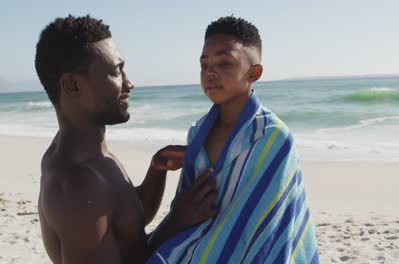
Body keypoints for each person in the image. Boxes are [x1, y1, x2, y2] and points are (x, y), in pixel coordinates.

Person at [35, 15, 218, 264]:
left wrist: (156, 171)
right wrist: (177, 221)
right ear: (72, 85)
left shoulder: (91, 153)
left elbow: (125, 223)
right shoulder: (76, 184)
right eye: (115, 72)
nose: (129, 83)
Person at [147, 16, 319, 263]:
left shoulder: (272, 137)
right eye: (204, 65)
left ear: (254, 72)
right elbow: (187, 210)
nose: (211, 72)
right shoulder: (197, 134)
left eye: (224, 62)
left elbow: (274, 224)